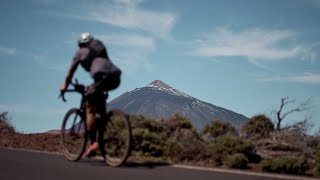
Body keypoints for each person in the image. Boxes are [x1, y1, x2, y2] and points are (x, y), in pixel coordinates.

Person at [60, 32, 121, 157]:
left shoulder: (80, 52)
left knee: (89, 106)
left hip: (101, 78)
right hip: (115, 77)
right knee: (98, 99)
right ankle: (103, 131)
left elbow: (70, 73)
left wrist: (64, 87)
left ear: (80, 44)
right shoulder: (100, 49)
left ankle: (93, 143)